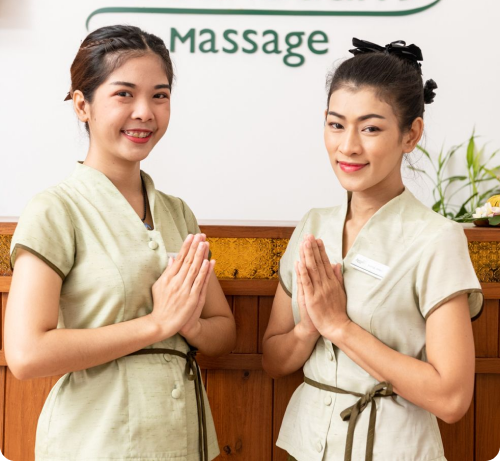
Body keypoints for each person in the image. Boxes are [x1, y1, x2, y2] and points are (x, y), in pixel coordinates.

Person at [5, 24, 236, 461]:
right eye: (124, 94)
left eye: (160, 95)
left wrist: (191, 326)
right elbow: (26, 353)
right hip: (95, 442)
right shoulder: (56, 209)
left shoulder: (177, 212)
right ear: (82, 105)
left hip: (183, 441)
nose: (145, 112)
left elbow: (222, 330)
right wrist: (158, 324)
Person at [262, 38, 483, 461]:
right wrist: (309, 328)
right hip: (308, 446)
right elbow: (273, 360)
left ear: (410, 134)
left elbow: (452, 399)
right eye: (336, 124)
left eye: (371, 128)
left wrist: (339, 326)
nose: (348, 146)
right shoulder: (313, 227)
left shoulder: (436, 238)